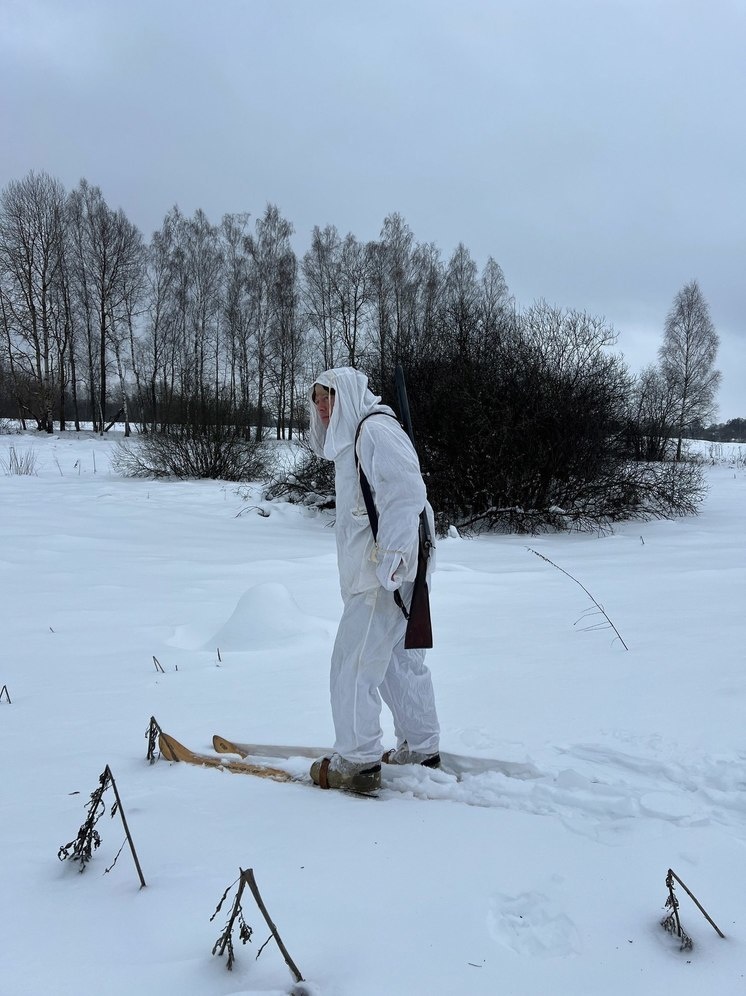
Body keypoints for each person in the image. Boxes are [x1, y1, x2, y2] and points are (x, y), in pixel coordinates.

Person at [307, 366, 440, 793]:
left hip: (380, 576)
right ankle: (422, 747)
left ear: (346, 393)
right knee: (396, 663)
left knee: (353, 664)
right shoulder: (358, 438)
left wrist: (394, 557)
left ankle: (357, 760)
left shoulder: (374, 430)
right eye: (317, 401)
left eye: (328, 397)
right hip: (385, 572)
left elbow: (406, 491)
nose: (323, 408)